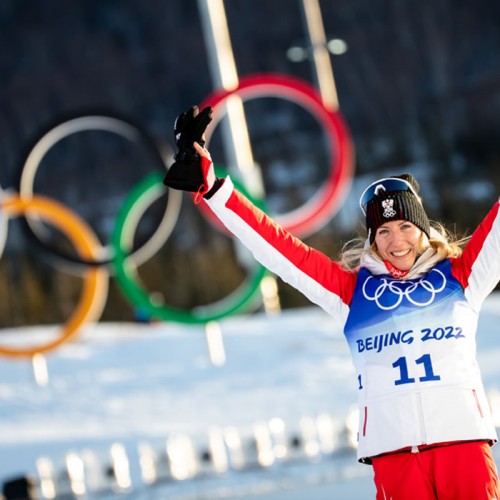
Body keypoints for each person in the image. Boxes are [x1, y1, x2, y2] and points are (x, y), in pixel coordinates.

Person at [164, 105, 500, 499]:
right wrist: (215, 187)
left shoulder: (463, 277)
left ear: (423, 230)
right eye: (385, 231)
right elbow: (279, 250)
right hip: (394, 456)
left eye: (406, 227)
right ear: (373, 239)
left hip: (462, 445)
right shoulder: (350, 293)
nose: (397, 241)